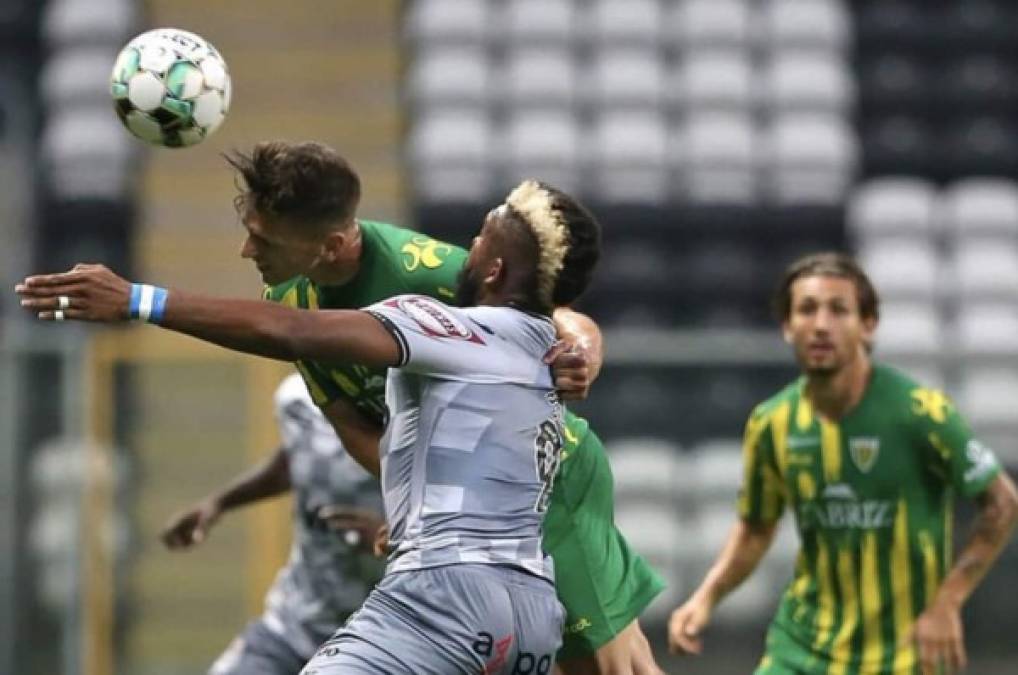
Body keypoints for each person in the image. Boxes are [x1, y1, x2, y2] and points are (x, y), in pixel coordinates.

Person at [18, 179, 602, 673]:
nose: (465, 248)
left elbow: (291, 330)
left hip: (444, 599)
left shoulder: (445, 327)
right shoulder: (545, 358)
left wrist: (138, 300)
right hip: (531, 615)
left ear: (495, 268)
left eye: (478, 239)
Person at [230, 141, 664, 675]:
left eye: (261, 238)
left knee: (613, 666)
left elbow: (557, 311)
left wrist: (584, 354)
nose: (247, 251)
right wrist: (415, 510)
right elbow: (352, 423)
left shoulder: (425, 273)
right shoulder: (292, 301)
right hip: (474, 516)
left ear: (329, 244)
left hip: (546, 483)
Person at [667, 252, 1018, 675]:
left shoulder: (920, 412)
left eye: (839, 310)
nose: (820, 325)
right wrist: (704, 599)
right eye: (807, 309)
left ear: (867, 325)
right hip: (801, 649)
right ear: (786, 326)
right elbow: (757, 527)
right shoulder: (772, 422)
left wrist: (948, 603)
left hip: (903, 654)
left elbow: (1001, 503)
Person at [161, 373, 385, 675]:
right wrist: (220, 502)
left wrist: (392, 537)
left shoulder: (415, 400)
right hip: (296, 625)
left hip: (385, 638)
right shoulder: (298, 397)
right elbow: (298, 455)